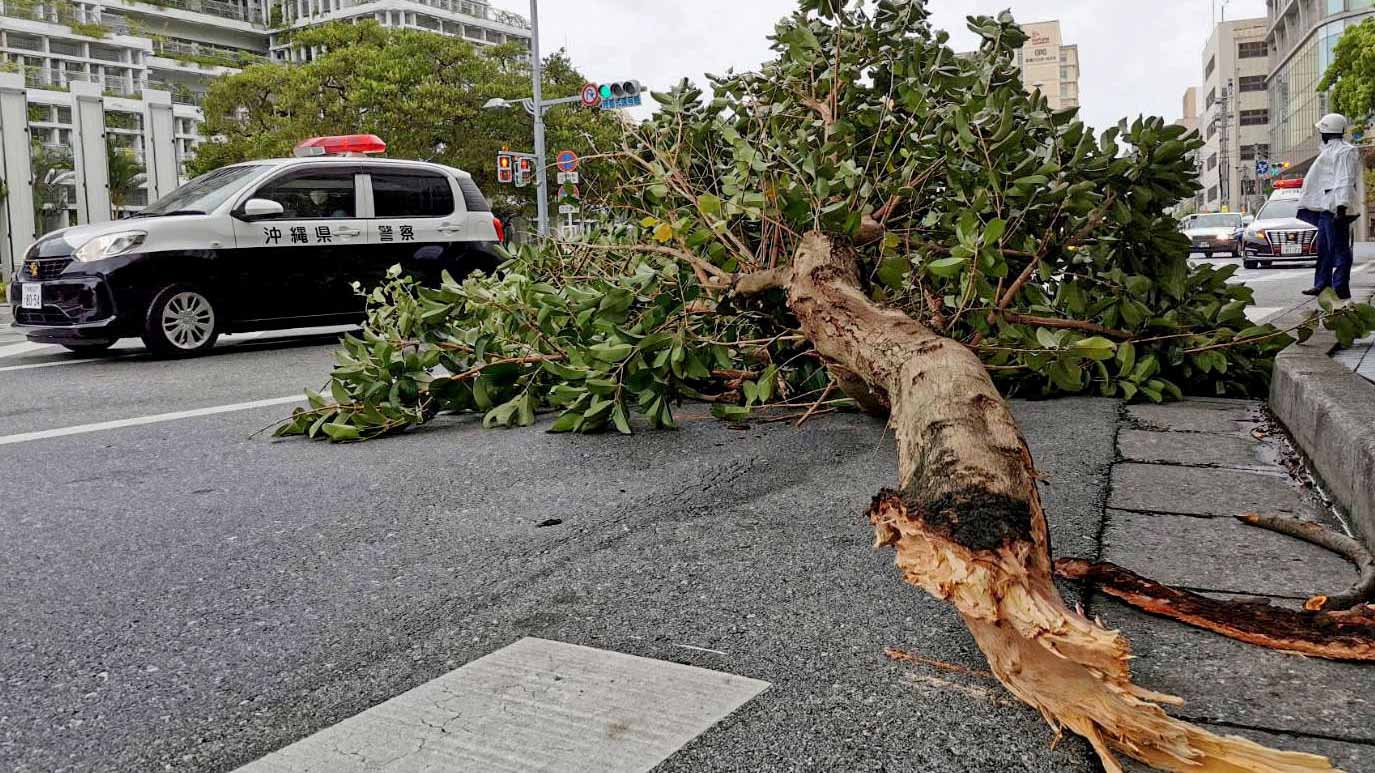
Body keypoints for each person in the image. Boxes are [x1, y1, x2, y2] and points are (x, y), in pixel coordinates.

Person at [1297, 113, 1362, 300]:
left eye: (1322, 131)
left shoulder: (1345, 151)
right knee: (1324, 249)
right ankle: (1323, 284)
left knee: (1339, 249)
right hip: (1327, 208)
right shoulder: (1331, 150)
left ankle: (1340, 286)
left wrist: (1341, 208)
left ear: (1327, 131)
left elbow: (1345, 180)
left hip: (1336, 209)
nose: (1321, 134)